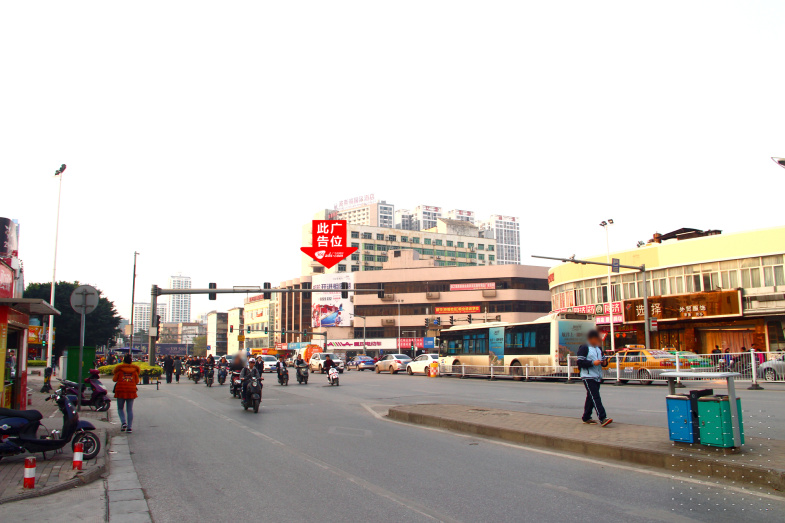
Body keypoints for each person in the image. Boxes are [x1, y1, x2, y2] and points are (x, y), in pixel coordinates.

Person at [576, 330, 612, 427]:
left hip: (597, 376)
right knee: (596, 397)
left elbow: (603, 361)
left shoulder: (598, 348)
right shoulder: (584, 348)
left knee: (591, 397)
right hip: (588, 376)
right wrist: (592, 363)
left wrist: (604, 362)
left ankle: (586, 417)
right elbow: (580, 362)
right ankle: (603, 418)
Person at [113, 354, 140, 433]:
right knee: (129, 409)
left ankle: (123, 423)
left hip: (120, 390)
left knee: (120, 408)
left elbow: (114, 379)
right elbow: (137, 381)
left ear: (123, 361)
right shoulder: (134, 370)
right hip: (131, 391)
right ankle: (129, 427)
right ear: (131, 362)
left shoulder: (119, 369)